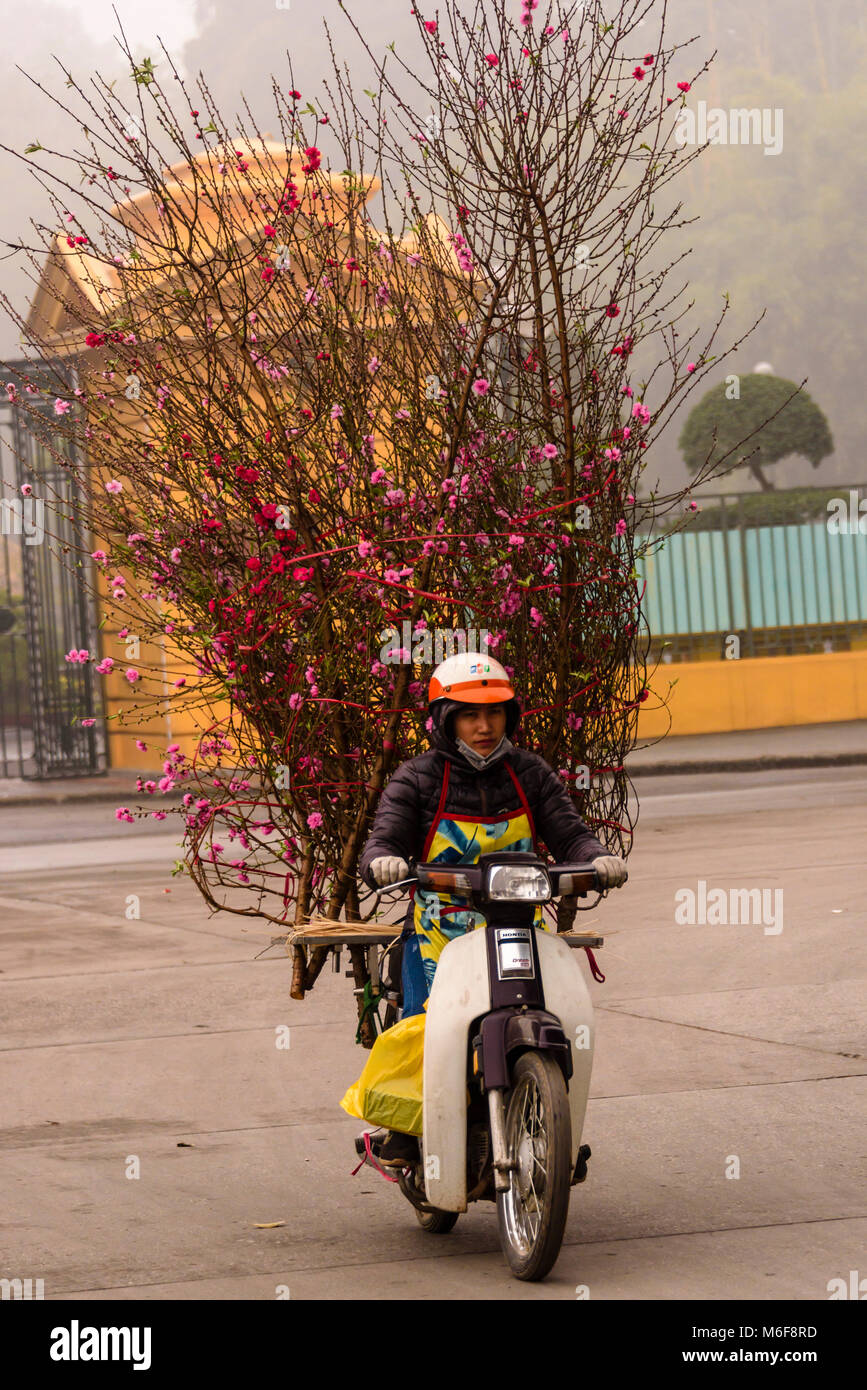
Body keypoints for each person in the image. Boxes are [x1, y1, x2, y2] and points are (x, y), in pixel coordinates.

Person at [356, 650, 627, 1164]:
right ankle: (408, 1136)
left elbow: (570, 833)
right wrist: (386, 861)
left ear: (510, 715)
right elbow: (383, 840)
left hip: (518, 930)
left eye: (495, 713)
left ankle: (550, 1121)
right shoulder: (415, 779)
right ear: (443, 721)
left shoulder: (530, 774)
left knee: (561, 1016)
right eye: (469, 715)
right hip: (439, 934)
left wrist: (597, 859)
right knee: (426, 1026)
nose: (484, 726)